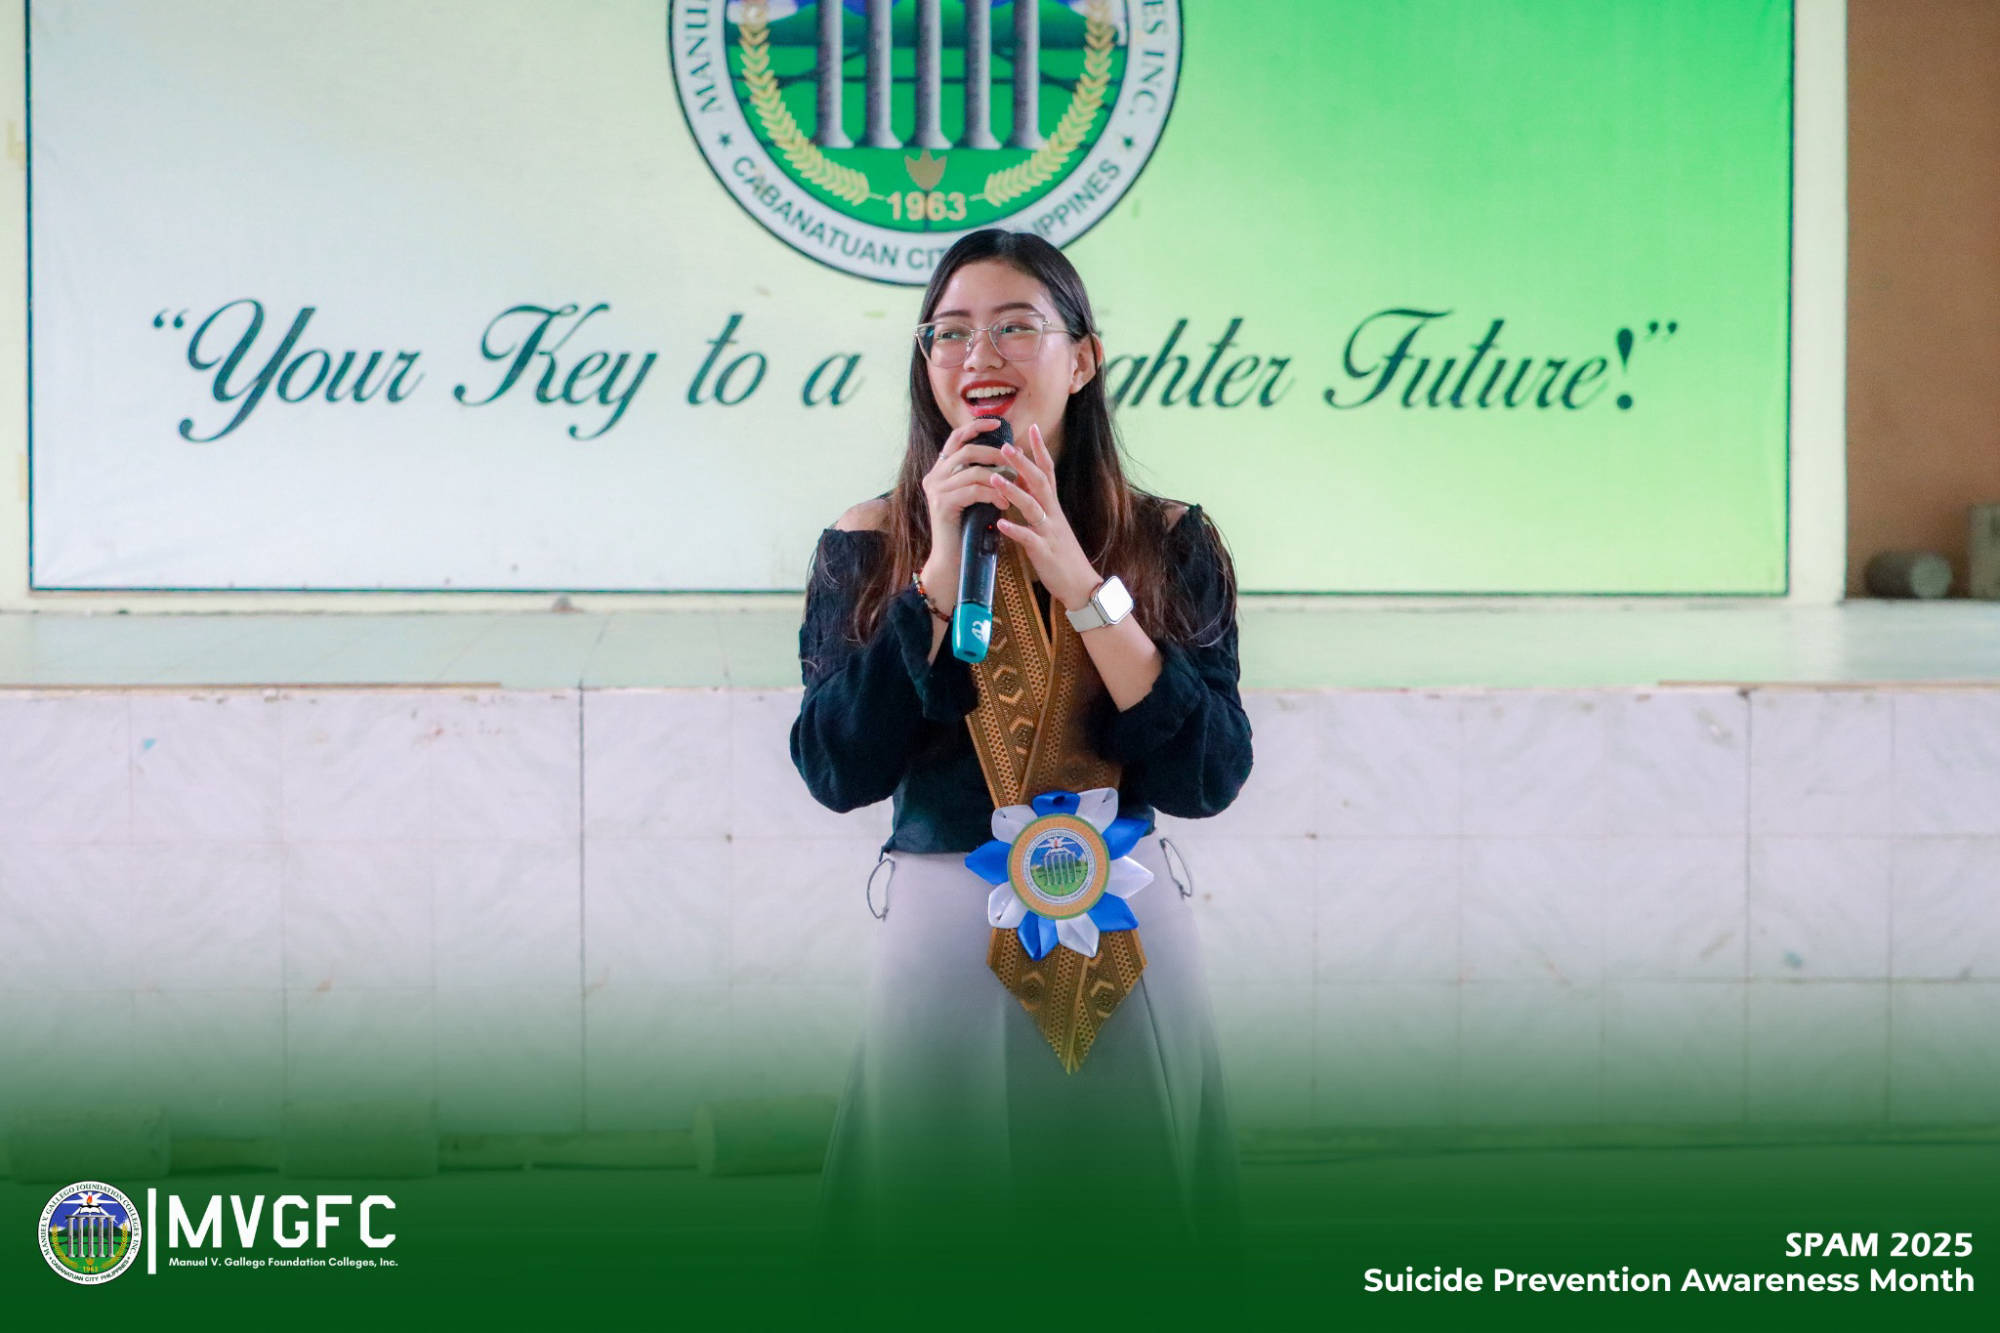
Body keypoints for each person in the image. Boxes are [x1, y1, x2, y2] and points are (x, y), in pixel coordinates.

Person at [789, 228, 1253, 1299]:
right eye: (949, 332)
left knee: (1128, 1229)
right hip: (943, 934)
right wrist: (937, 574)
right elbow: (835, 768)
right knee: (937, 1228)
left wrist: (1082, 581)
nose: (978, 355)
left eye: (1014, 326)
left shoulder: (1164, 538)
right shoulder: (872, 541)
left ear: (1081, 358)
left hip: (1119, 924)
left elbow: (1208, 776)